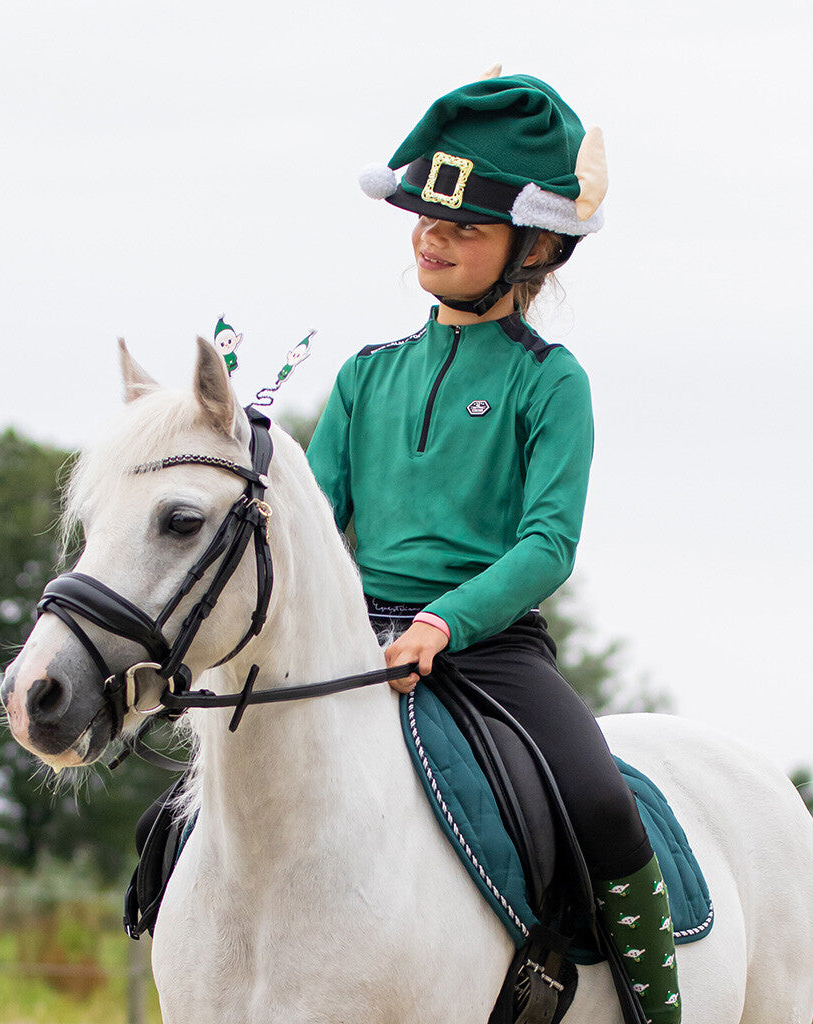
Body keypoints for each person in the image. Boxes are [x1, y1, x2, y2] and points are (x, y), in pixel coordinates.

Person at [306, 71, 681, 1024]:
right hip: (356, 641)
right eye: (425, 220)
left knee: (602, 803)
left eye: (462, 227)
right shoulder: (364, 376)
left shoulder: (552, 383)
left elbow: (548, 543)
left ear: (535, 245)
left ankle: (652, 1008)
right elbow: (312, 527)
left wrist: (445, 619)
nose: (432, 238)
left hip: (489, 645)